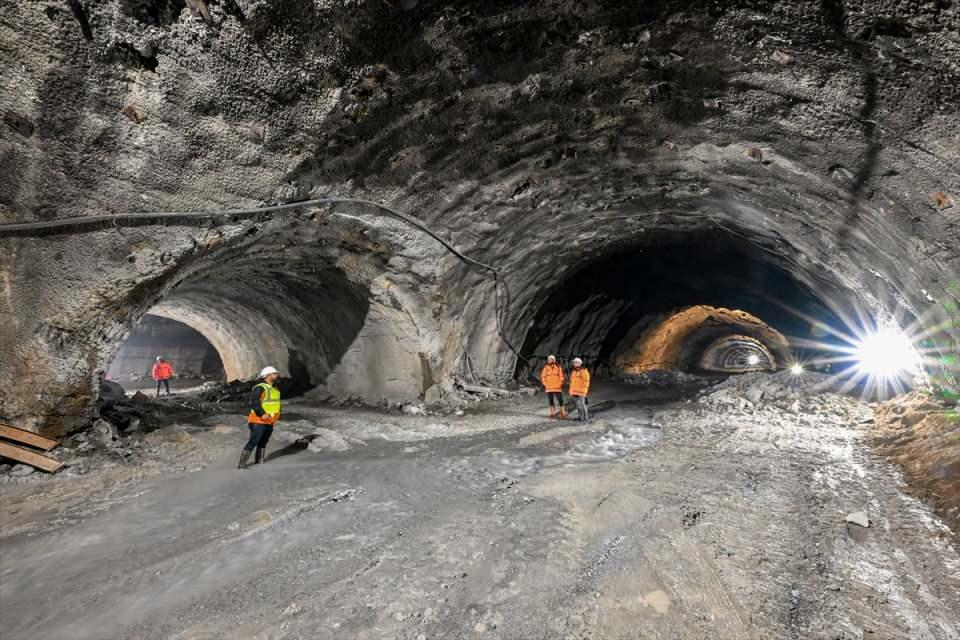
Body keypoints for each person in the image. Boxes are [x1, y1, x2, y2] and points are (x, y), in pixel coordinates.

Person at [240, 366, 282, 469]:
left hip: (269, 421)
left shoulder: (274, 389)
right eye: (274, 373)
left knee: (263, 442)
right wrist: (261, 413)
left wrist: (277, 413)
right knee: (254, 441)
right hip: (258, 420)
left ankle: (259, 461)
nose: (277, 375)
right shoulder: (260, 387)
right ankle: (242, 465)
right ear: (267, 375)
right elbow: (254, 402)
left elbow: (274, 404)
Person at [569, 357, 591, 422]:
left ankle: (585, 418)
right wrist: (571, 391)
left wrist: (584, 391)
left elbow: (586, 381)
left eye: (575, 362)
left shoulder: (583, 371)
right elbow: (572, 382)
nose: (574, 364)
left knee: (583, 405)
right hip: (575, 392)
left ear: (579, 363)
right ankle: (581, 417)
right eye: (574, 362)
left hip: (581, 392)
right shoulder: (573, 371)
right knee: (578, 405)